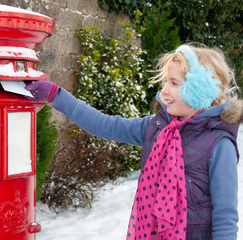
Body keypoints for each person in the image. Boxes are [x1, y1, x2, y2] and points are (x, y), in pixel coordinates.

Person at [25, 43, 243, 240]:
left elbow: (225, 217)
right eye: (166, 81)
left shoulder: (219, 144)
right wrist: (57, 96)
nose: (164, 90)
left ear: (199, 90)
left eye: (174, 83)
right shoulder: (157, 128)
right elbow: (106, 125)